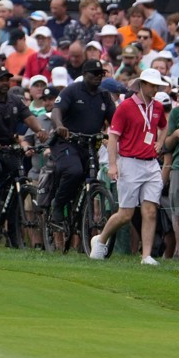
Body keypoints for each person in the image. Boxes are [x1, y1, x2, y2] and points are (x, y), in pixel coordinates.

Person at [89, 68, 170, 265]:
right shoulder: (125, 107)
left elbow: (163, 125)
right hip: (129, 162)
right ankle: (100, 240)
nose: (155, 88)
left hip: (150, 163)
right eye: (151, 84)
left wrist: (160, 142)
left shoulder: (158, 107)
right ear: (141, 85)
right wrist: (113, 165)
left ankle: (146, 255)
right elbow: (113, 136)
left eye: (156, 85)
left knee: (150, 211)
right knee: (126, 214)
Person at [49, 59, 116, 248]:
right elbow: (56, 112)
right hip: (67, 142)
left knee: (90, 177)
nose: (98, 77)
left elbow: (115, 120)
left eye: (101, 74)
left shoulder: (104, 96)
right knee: (74, 171)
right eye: (94, 73)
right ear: (84, 74)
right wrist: (60, 126)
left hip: (89, 144)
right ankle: (57, 205)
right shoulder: (72, 90)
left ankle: (82, 226)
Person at [0, 68, 50, 219]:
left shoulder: (14, 100)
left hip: (7, 146)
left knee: (19, 174)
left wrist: (39, 131)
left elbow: (29, 118)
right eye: (0, 80)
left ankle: (9, 216)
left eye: (6, 80)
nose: (4, 83)